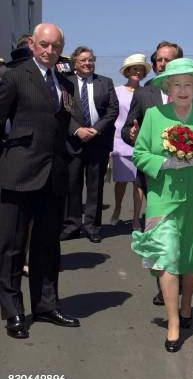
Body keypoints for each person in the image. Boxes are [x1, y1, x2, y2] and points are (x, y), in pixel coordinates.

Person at [132, 58, 193, 352]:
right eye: (177, 85)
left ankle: (187, 304)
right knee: (168, 256)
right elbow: (139, 154)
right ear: (167, 88)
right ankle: (173, 322)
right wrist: (165, 162)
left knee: (190, 259)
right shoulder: (153, 116)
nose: (183, 90)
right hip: (163, 200)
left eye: (189, 84)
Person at [0, 23, 80, 339]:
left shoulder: (64, 83)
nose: (49, 51)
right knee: (11, 248)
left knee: (48, 246)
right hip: (17, 175)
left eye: (56, 46)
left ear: (62, 48)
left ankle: (46, 306)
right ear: (33, 44)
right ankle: (13, 310)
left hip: (54, 175)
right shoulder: (14, 77)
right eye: (44, 44)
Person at [120, 40, 182, 306]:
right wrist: (132, 135)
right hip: (154, 176)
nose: (162, 64)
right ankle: (164, 284)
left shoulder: (191, 91)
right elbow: (127, 129)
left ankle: (179, 277)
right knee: (158, 233)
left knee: (180, 231)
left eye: (168, 59)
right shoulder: (145, 94)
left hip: (184, 175)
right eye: (158, 60)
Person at [61, 46, 119, 244]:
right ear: (74, 63)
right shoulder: (65, 83)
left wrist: (95, 130)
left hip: (98, 141)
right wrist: (78, 130)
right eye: (83, 60)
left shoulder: (106, 82)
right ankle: (72, 225)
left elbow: (113, 110)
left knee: (95, 186)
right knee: (72, 185)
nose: (88, 63)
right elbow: (62, 111)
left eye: (91, 60)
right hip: (73, 141)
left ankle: (92, 227)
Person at [110, 54, 151, 230]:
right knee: (121, 181)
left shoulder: (146, 93)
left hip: (140, 143)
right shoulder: (116, 91)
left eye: (141, 70)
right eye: (134, 69)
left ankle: (135, 218)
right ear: (127, 71)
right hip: (119, 141)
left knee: (138, 183)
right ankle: (117, 207)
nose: (138, 72)